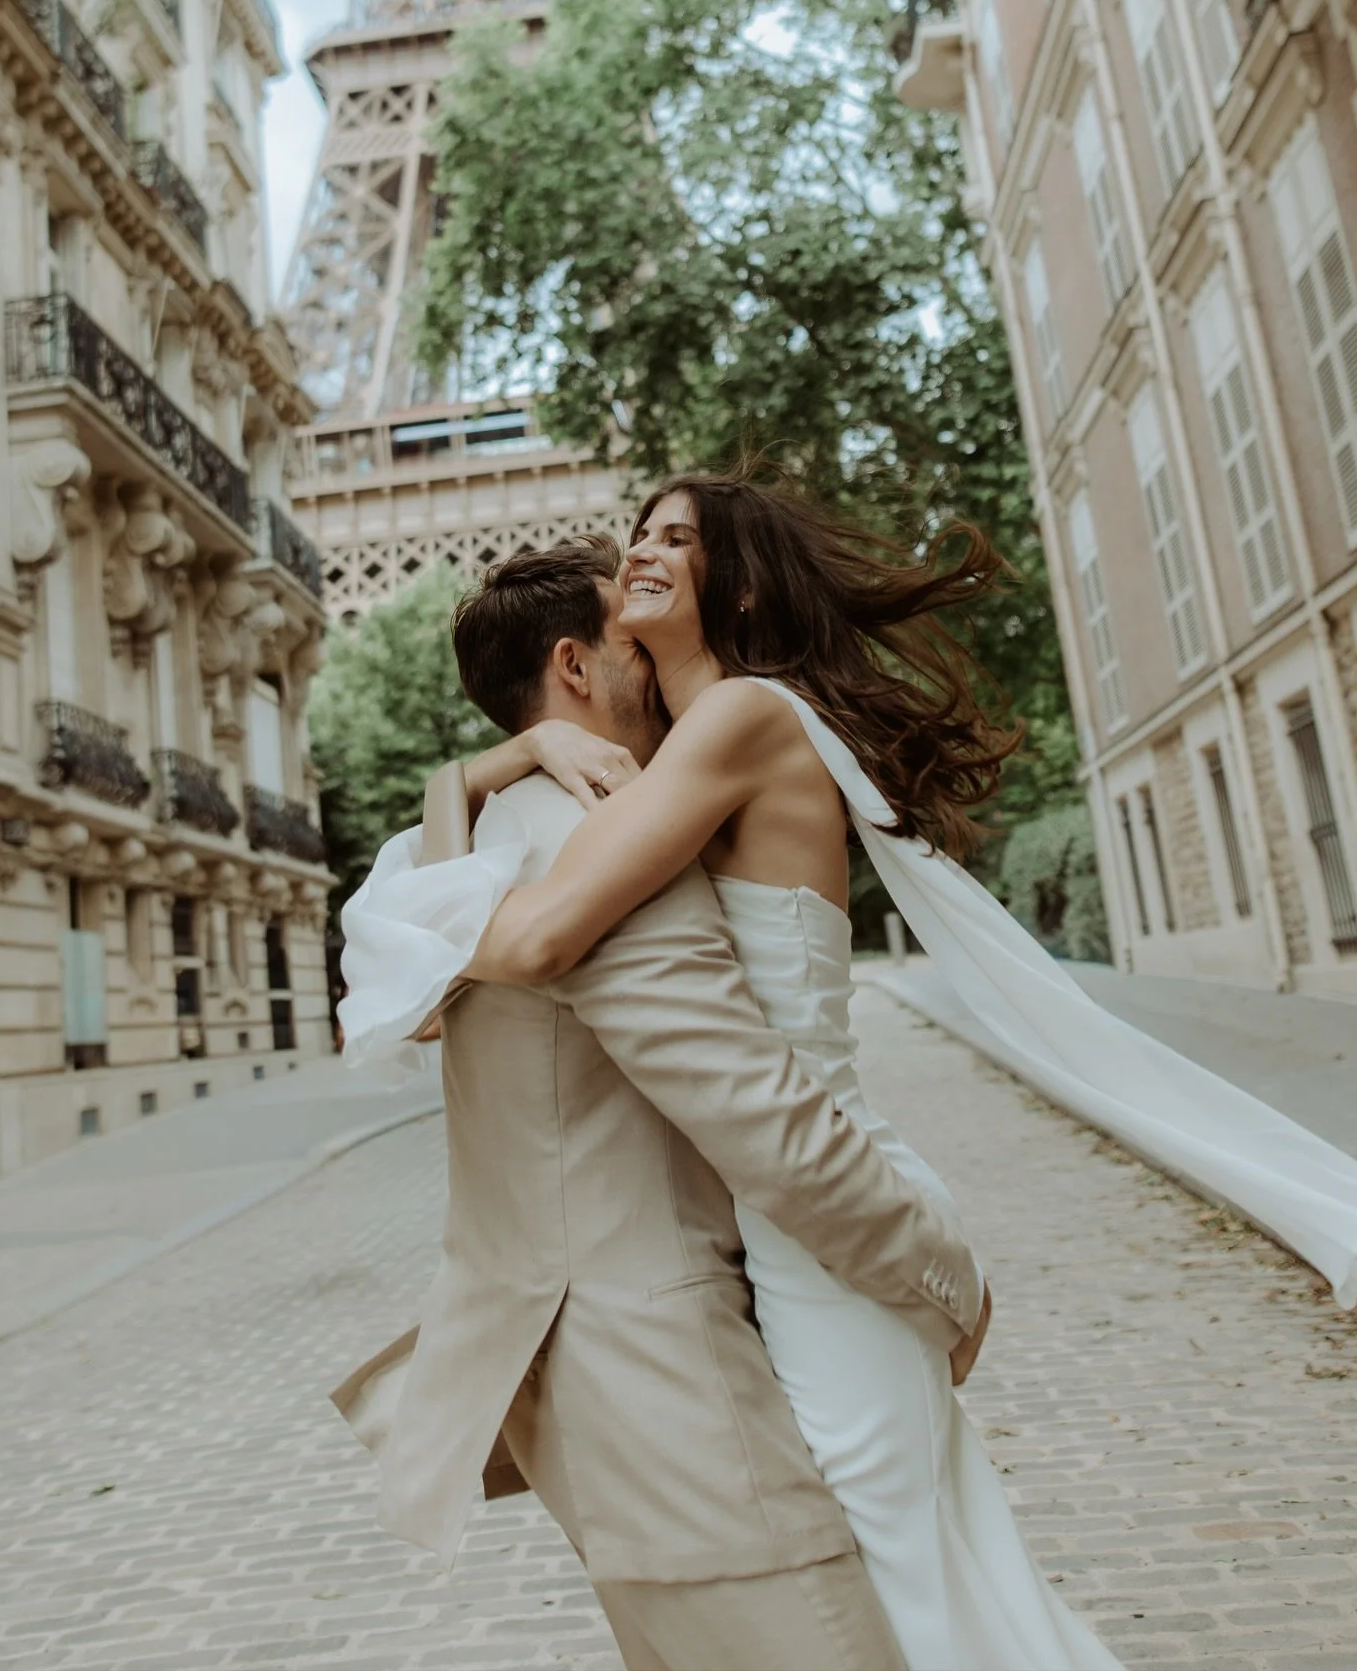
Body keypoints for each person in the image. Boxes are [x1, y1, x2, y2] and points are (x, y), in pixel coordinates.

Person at [342, 495, 1129, 1669]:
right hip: (667, 1384)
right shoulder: (600, 845)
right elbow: (750, 1108)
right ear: (575, 666)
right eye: (630, 636)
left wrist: (485, 763)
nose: (659, 662)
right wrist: (938, 1274)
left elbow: (420, 972)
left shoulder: (453, 856)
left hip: (565, 1385)